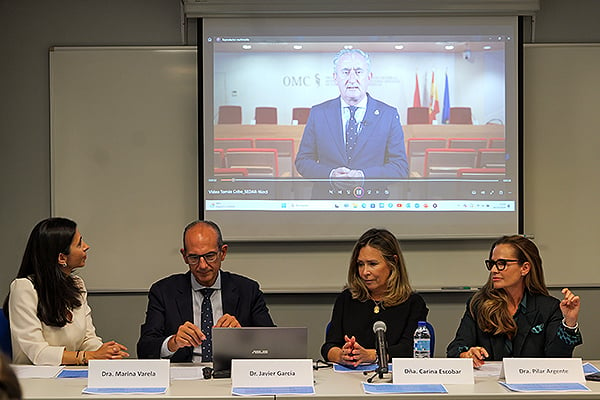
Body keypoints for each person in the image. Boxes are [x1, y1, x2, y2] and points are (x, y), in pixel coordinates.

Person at [137, 220, 275, 362]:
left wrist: (242, 336)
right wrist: (173, 343)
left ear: (223, 253)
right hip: (182, 378)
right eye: (194, 258)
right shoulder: (163, 292)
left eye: (210, 256)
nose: (202, 265)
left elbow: (273, 343)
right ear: (184, 256)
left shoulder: (247, 290)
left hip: (231, 374)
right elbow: (144, 349)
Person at [3, 217, 129, 365]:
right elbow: (37, 353)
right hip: (35, 379)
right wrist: (88, 356)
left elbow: (88, 338)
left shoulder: (77, 284)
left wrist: (104, 353)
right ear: (62, 258)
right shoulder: (24, 288)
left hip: (71, 374)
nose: (86, 246)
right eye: (79, 243)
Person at [447, 235, 582, 367]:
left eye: (501, 264)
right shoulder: (478, 304)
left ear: (524, 268)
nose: (494, 270)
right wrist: (466, 354)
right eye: (492, 264)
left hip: (534, 386)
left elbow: (558, 361)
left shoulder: (548, 307)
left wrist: (569, 323)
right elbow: (455, 348)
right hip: (489, 385)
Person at [295, 49, 408, 197]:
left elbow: (400, 167)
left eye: (359, 72)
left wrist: (364, 177)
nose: (352, 79)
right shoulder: (318, 113)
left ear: (369, 77)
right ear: (335, 77)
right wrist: (329, 175)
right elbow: (303, 161)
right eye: (345, 72)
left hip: (371, 204)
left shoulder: (389, 114)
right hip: (326, 205)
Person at [321, 228, 428, 366]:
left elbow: (409, 350)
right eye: (360, 264)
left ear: (393, 263)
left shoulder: (413, 303)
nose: (365, 272)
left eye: (372, 264)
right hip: (349, 378)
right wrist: (342, 355)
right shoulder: (347, 299)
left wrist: (371, 355)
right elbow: (328, 346)